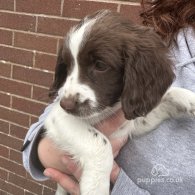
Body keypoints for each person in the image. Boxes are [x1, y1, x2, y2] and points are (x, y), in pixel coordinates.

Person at [22, 0, 195, 194]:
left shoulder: (142, 65)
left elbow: (134, 123)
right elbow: (53, 124)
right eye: (70, 65)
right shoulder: (170, 33)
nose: (68, 98)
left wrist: (170, 101)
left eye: (100, 66)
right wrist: (97, 156)